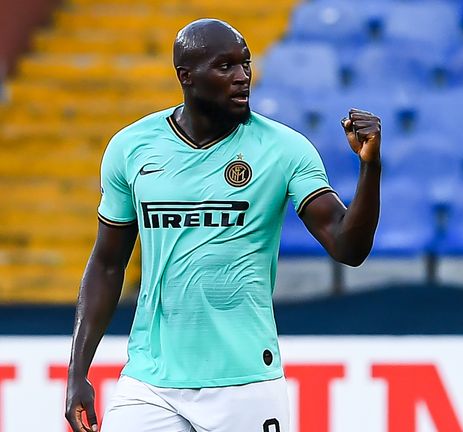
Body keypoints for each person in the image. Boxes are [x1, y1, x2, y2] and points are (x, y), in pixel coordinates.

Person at [64, 18, 381, 432]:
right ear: (187, 76)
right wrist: (77, 371)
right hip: (150, 382)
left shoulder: (284, 149)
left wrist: (370, 167)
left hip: (245, 382)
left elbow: (348, 248)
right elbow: (107, 265)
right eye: (225, 67)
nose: (242, 77)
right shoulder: (131, 148)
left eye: (245, 64)